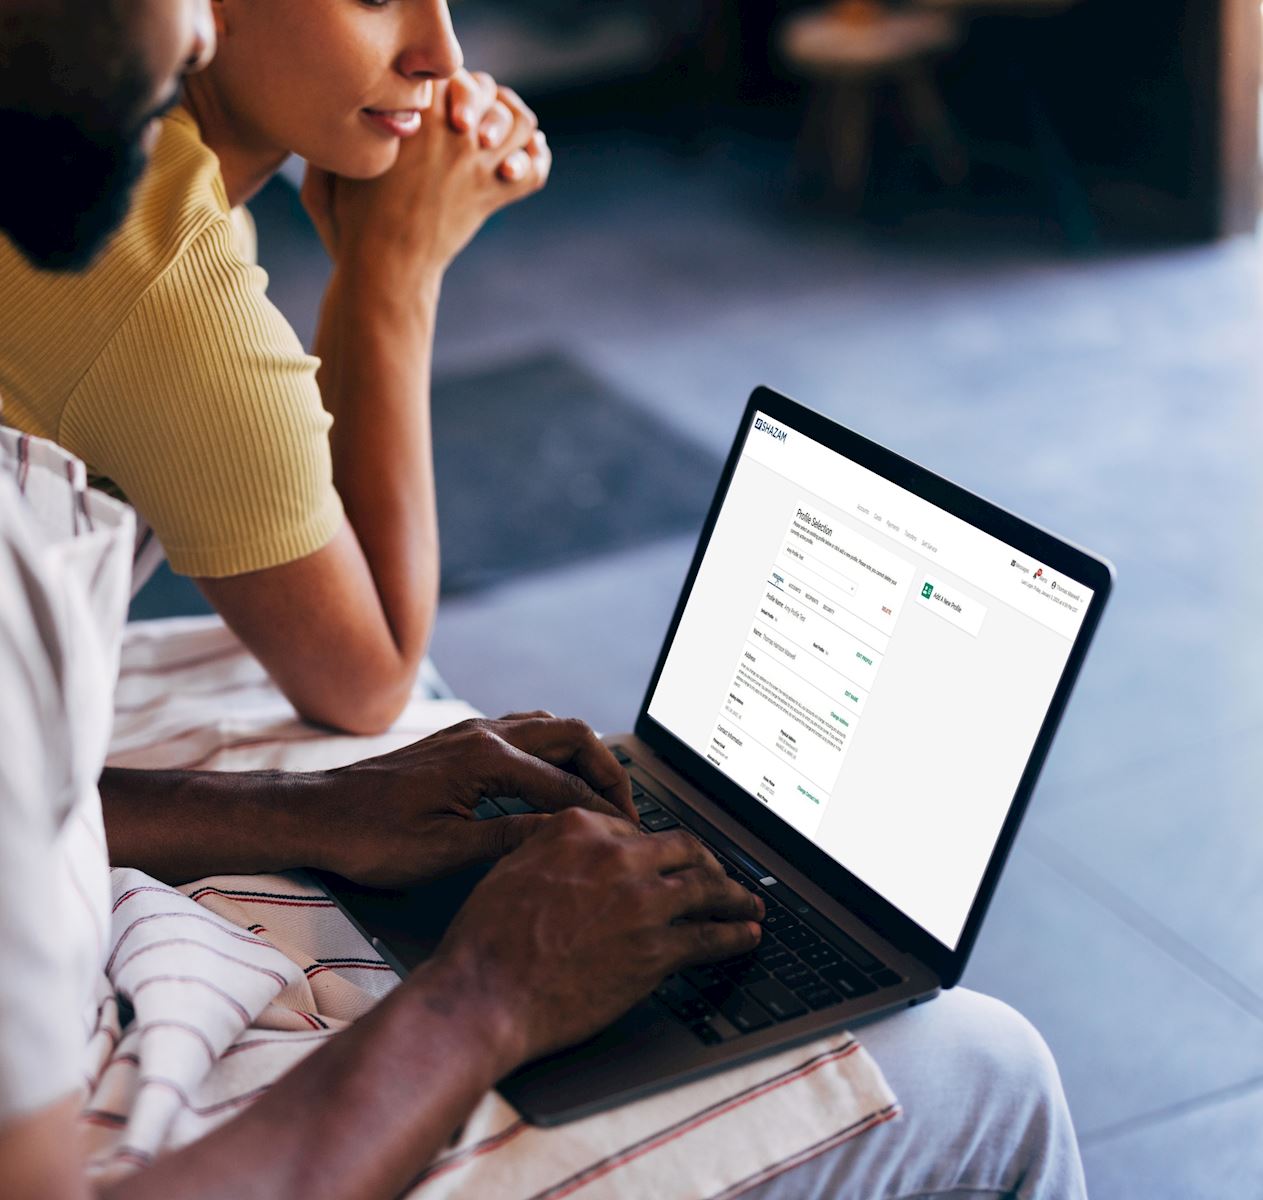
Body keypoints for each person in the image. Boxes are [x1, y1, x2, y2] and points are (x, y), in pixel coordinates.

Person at [0, 3, 1089, 1197]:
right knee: (989, 1065)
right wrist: (487, 994)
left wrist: (306, 815)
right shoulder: (146, 274)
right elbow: (363, 673)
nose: (443, 56)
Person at [0, 0, 552, 735]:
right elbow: (366, 682)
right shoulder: (163, 277)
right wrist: (393, 268)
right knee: (423, 743)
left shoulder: (138, 172)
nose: (442, 55)